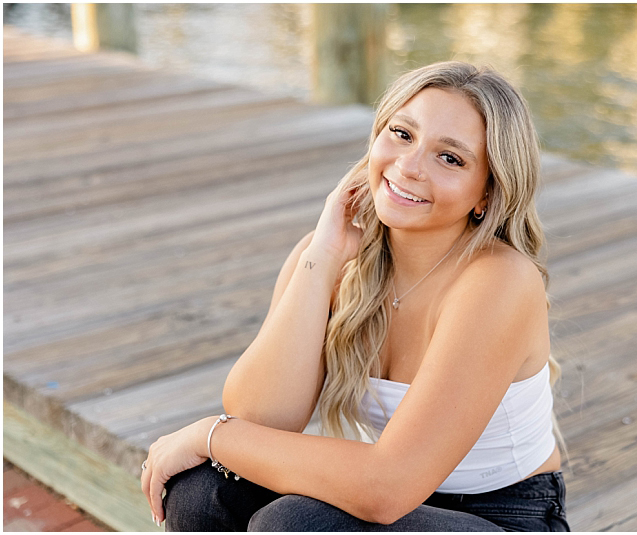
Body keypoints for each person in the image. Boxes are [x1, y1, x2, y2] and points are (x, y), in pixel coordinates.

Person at [140, 60, 570, 532]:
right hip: (393, 496)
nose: (408, 166)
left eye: (450, 158)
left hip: (501, 516)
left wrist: (206, 433)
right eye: (402, 134)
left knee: (295, 524)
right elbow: (259, 419)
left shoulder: (499, 280)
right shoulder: (332, 254)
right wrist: (322, 258)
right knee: (203, 492)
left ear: (487, 192)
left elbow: (387, 488)